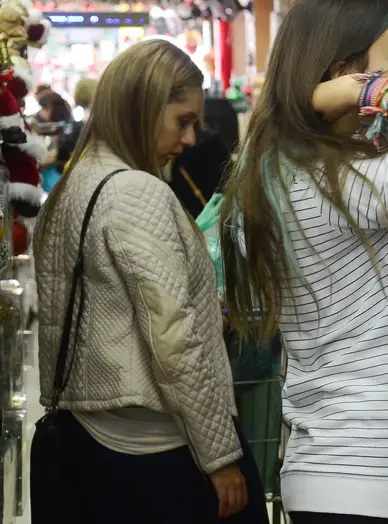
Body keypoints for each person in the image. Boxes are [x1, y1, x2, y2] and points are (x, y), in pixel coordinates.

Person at [221, 0, 388, 524]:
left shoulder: (285, 170)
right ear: (344, 72)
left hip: (339, 473)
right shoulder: (336, 182)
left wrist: (332, 97)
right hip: (380, 478)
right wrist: (374, 91)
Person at [33, 39, 267, 523]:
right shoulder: (137, 192)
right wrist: (221, 456)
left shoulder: (75, 185)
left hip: (92, 437)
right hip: (160, 448)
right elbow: (175, 341)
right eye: (182, 121)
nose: (189, 139)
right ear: (140, 106)